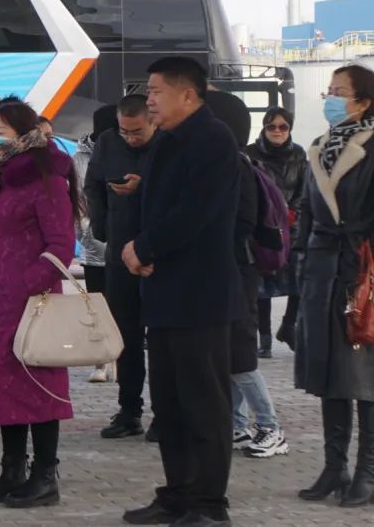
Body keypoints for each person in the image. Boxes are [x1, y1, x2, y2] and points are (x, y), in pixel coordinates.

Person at [122, 57, 240, 527]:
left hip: (200, 295)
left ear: (187, 94)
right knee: (169, 405)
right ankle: (178, 494)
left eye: (156, 91)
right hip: (164, 292)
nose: (148, 100)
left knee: (204, 405)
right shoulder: (166, 141)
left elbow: (195, 213)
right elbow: (156, 208)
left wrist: (145, 247)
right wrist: (138, 248)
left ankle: (209, 504)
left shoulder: (213, 140)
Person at [0, 100, 79, 509]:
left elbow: (61, 245)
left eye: (2, 130)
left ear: (24, 134)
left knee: (38, 385)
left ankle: (45, 474)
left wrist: (25, 285)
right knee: (4, 386)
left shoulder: (45, 178)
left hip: (32, 302)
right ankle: (13, 469)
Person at [294, 64, 374, 508]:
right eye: (330, 90)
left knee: (365, 375)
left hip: (362, 274)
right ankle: (333, 467)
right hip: (321, 273)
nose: (331, 98)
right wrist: (301, 262)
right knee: (330, 374)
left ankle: (368, 471)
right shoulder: (320, 147)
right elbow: (307, 211)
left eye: (340, 92)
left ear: (364, 102)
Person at [206, 90, 289, 460]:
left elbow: (241, 224)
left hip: (239, 270)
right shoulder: (230, 163)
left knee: (240, 354)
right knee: (229, 352)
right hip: (233, 269)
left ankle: (270, 427)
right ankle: (237, 425)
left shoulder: (235, 168)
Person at [85, 95, 157, 440]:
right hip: (119, 251)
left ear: (152, 122)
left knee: (162, 340)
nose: (130, 138)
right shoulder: (107, 142)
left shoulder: (167, 145)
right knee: (125, 336)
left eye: (137, 132)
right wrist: (102, 227)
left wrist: (142, 188)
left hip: (158, 253)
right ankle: (129, 411)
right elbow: (93, 185)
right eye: (124, 131)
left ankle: (166, 414)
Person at [245, 107, 307, 354]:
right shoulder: (250, 154)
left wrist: (293, 213)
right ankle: (265, 338)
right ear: (264, 127)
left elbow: (304, 189)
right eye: (272, 126)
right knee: (263, 282)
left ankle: (289, 325)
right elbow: (250, 190)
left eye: (283, 127)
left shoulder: (299, 154)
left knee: (299, 277)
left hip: (292, 226)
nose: (277, 131)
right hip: (264, 224)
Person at [73, 106, 114, 383]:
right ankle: (101, 360)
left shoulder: (128, 151)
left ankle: (122, 357)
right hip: (93, 244)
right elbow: (77, 200)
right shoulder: (80, 158)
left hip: (127, 244)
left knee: (124, 308)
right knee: (97, 306)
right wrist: (86, 234)